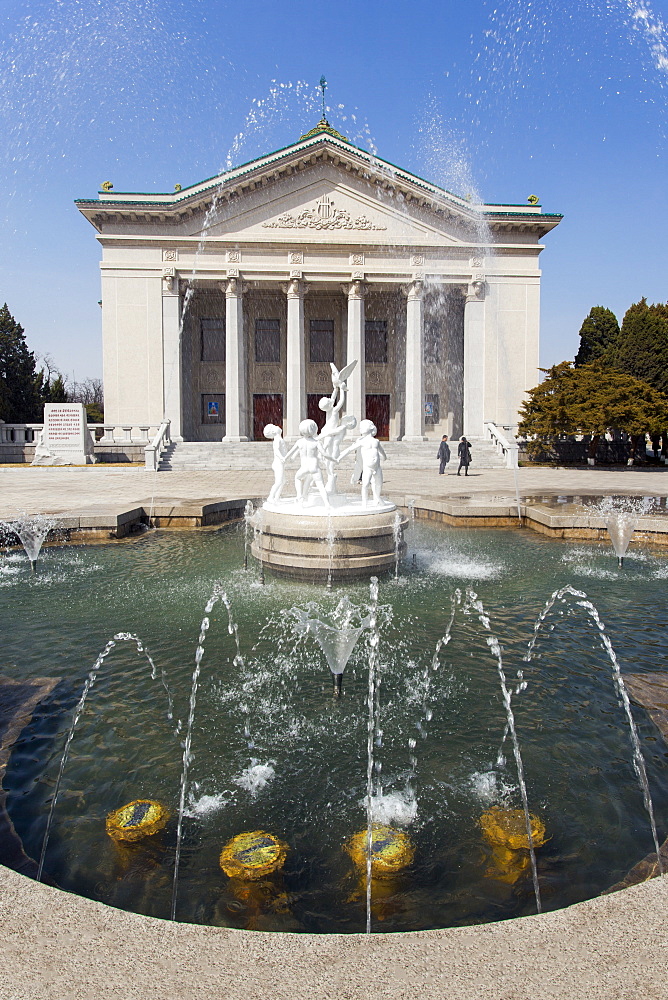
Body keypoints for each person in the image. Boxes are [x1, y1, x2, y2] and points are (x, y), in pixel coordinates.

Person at [337, 419, 386, 507]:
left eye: (363, 427)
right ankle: (364, 502)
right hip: (368, 467)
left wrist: (384, 457)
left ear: (371, 428)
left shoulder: (376, 441)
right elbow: (349, 449)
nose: (360, 429)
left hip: (377, 466)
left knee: (378, 483)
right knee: (365, 484)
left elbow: (381, 451)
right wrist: (339, 457)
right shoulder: (362, 441)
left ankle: (377, 498)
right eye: (360, 427)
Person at [284, 418, 331, 508]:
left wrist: (284, 459)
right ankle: (327, 504)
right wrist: (333, 459)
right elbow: (325, 454)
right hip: (314, 467)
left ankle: (300, 497)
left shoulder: (300, 442)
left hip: (304, 467)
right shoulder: (317, 442)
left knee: (297, 478)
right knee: (321, 486)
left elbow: (290, 453)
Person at [263, 423, 288, 502]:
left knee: (283, 481)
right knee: (279, 481)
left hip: (280, 463)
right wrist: (281, 458)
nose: (278, 426)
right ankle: (271, 497)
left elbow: (284, 451)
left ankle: (277, 497)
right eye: (275, 426)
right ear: (273, 431)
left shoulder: (280, 439)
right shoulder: (277, 440)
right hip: (278, 463)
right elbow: (277, 451)